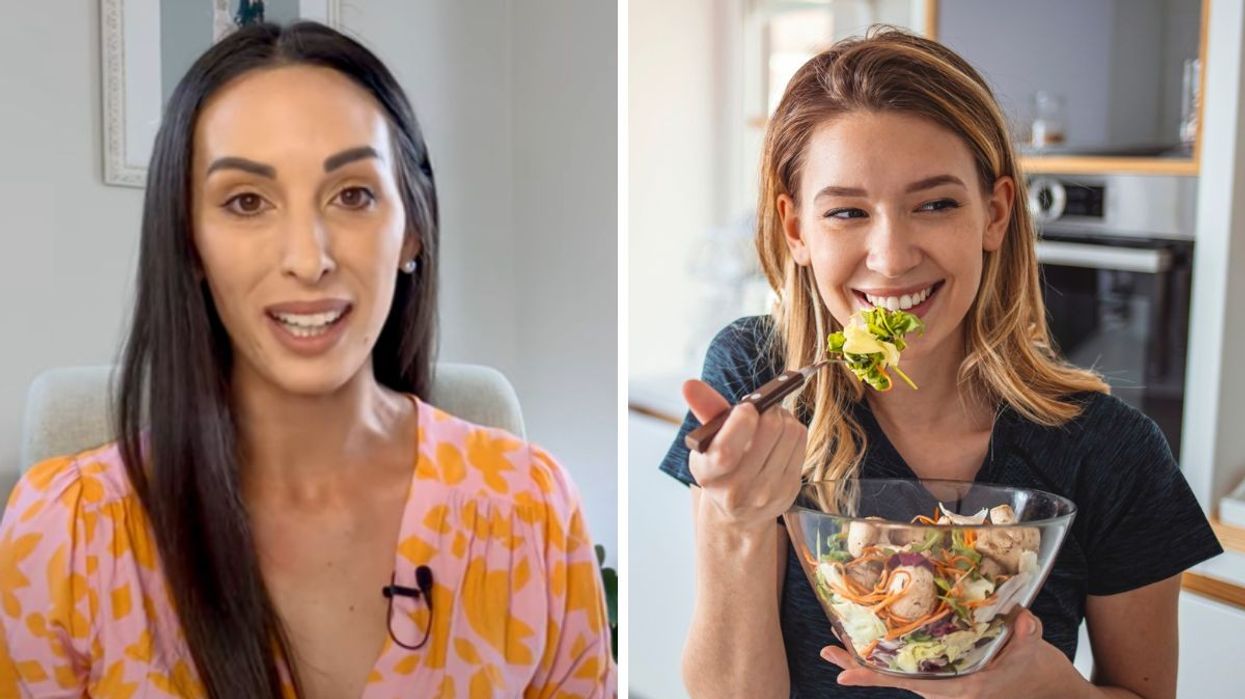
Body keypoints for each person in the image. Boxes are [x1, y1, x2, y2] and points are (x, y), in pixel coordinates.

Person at [0, 22, 614, 699]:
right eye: (246, 202)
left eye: (352, 195)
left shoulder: (528, 508)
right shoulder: (65, 535)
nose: (307, 258)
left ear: (411, 226)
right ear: (190, 243)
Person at [660, 27, 1221, 699]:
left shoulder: (1110, 451)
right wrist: (736, 521)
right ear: (795, 229)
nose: (891, 257)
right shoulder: (757, 379)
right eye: (845, 211)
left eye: (934, 203)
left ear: (994, 212)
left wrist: (1048, 690)